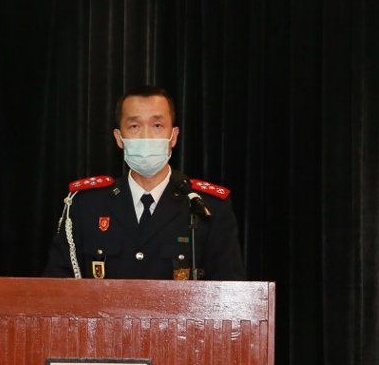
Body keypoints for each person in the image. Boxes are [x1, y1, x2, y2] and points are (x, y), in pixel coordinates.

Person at [43, 85, 245, 280]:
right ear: (119, 138)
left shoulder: (207, 207)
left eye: (157, 126)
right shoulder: (86, 205)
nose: (146, 136)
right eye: (135, 126)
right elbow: (56, 286)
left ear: (173, 136)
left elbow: (230, 291)